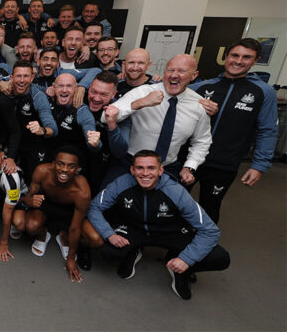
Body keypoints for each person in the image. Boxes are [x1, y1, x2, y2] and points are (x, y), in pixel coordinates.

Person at [87, 150, 230, 300]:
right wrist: (109, 233)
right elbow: (95, 207)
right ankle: (133, 251)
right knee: (109, 251)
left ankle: (181, 271)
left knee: (220, 258)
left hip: (170, 232)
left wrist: (187, 259)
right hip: (135, 229)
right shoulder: (121, 183)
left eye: (151, 168)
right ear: (132, 170)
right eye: (140, 168)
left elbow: (210, 230)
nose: (145, 173)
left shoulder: (176, 192)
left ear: (161, 170)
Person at [189, 38, 278, 223]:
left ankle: (202, 250)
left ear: (255, 60)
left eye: (246, 57)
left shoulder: (263, 91)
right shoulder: (202, 87)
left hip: (224, 162)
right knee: (177, 203)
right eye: (234, 55)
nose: (238, 61)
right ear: (226, 57)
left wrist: (259, 165)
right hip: (190, 158)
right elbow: (168, 92)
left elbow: (267, 130)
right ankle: (175, 248)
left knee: (209, 207)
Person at [108, 54, 212, 183]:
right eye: (170, 70)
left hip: (168, 168)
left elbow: (202, 141)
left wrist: (189, 166)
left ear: (194, 76)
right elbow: (105, 117)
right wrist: (140, 103)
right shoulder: (143, 92)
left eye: (182, 71)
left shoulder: (199, 104)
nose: (174, 75)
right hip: (129, 162)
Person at [20, 146, 91, 283]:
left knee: (94, 239)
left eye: (71, 166)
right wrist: (31, 200)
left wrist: (71, 258)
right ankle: (43, 233)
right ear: (53, 164)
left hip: (69, 213)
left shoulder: (82, 191)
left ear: (77, 169)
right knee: (31, 226)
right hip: (46, 205)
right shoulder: (41, 171)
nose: (64, 169)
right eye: (60, 164)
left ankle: (64, 236)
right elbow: (27, 198)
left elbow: (76, 227)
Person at [3, 60, 57, 180]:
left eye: (26, 76)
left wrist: (41, 130)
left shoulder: (38, 97)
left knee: (33, 179)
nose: (22, 80)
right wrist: (0, 82)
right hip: (10, 141)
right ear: (11, 77)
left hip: (33, 143)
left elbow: (53, 129)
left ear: (32, 78)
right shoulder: (5, 87)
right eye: (18, 76)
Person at [48, 74, 101, 176]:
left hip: (72, 165)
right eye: (60, 86)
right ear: (54, 87)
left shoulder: (82, 111)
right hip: (51, 156)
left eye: (69, 86)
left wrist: (95, 143)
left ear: (76, 89)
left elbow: (92, 138)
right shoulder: (49, 98)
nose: (64, 90)